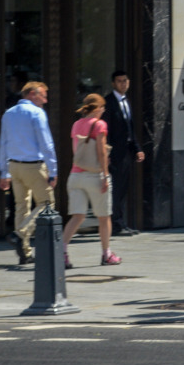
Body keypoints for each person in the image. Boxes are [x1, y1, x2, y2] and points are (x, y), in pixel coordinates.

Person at [0, 81, 57, 266]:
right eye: (43, 96)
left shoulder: (8, 113)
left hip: (14, 166)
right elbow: (46, 144)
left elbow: (4, 143)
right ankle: (20, 234)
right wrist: (53, 171)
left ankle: (24, 252)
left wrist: (4, 172)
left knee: (21, 207)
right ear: (32, 94)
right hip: (34, 165)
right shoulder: (37, 113)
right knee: (47, 203)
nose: (45, 100)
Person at [62, 94, 121, 268]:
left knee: (77, 217)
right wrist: (104, 175)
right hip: (94, 176)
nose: (103, 111)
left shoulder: (76, 124)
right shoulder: (99, 124)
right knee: (104, 217)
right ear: (96, 108)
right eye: (102, 108)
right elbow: (101, 151)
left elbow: (77, 151)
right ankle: (106, 254)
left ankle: (62, 252)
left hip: (75, 176)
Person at [102, 70, 144, 236]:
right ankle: (116, 225)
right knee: (116, 190)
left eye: (125, 81)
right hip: (114, 154)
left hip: (126, 153)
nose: (123, 84)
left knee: (122, 188)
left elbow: (129, 129)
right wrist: (107, 154)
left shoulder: (126, 102)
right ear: (113, 83)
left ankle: (120, 223)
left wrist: (137, 148)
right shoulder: (109, 102)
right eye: (119, 81)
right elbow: (106, 131)